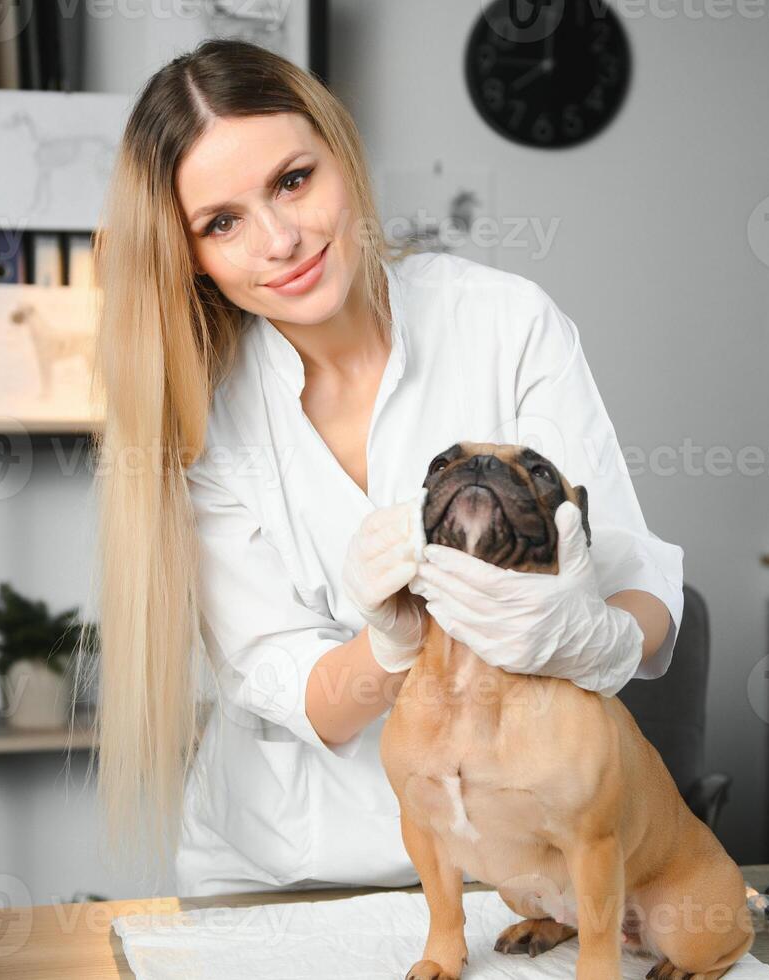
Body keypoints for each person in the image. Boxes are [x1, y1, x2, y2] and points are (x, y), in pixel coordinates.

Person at [90, 38, 684, 899]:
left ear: (343, 155)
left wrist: (599, 637)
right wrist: (393, 643)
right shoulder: (199, 414)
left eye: (293, 180)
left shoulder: (503, 324)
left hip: (506, 867)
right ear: (188, 254)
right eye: (222, 222)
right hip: (280, 872)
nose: (281, 239)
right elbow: (299, 690)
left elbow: (641, 586)